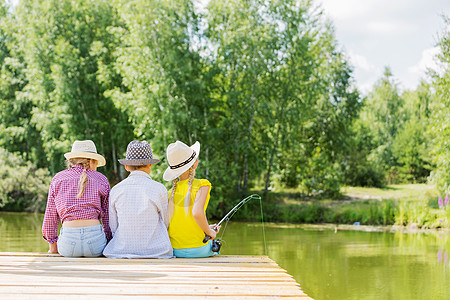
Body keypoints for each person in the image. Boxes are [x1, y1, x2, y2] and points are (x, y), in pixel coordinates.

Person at [103, 141, 173, 259]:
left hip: (121, 251)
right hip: (156, 251)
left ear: (126, 166)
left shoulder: (116, 190)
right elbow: (166, 222)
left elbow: (113, 227)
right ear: (150, 165)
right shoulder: (159, 189)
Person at [42, 140, 112, 257]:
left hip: (68, 245)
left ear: (71, 161)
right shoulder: (101, 179)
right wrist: (108, 240)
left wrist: (53, 247)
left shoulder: (58, 178)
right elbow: (108, 219)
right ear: (91, 161)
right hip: (95, 244)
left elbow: (50, 218)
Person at [163, 140, 220, 258]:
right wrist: (210, 233)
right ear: (195, 164)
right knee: (216, 247)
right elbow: (197, 213)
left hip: (174, 250)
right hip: (198, 249)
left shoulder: (170, 193)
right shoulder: (202, 185)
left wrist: (205, 227)